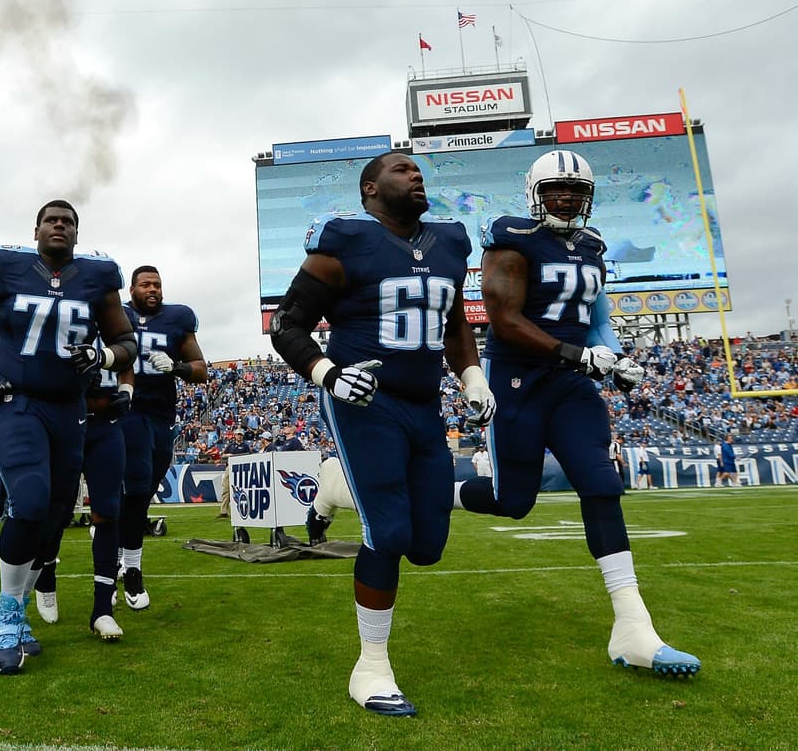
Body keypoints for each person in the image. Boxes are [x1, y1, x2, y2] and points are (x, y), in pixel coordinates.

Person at [453, 149, 699, 678]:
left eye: (575, 191)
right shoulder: (511, 239)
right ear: (534, 193)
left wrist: (619, 358)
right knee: (511, 502)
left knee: (602, 484)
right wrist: (576, 355)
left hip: (570, 384)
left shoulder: (591, 246)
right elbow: (504, 320)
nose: (565, 198)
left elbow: (597, 318)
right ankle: (437, 488)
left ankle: (634, 629)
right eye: (555, 189)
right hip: (516, 381)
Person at [269, 152, 495, 717]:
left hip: (423, 403)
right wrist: (328, 374)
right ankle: (370, 666)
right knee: (387, 532)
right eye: (401, 169)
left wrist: (471, 377)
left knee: (426, 547)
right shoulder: (345, 242)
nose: (415, 174)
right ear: (371, 189)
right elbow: (287, 324)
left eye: (418, 169)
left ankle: (353, 493)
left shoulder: (449, 242)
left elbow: (452, 323)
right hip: (364, 400)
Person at [0, 200, 137, 675]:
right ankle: (7, 616)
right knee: (30, 502)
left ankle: (19, 608)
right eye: (51, 219)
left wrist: (103, 359)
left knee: (52, 521)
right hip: (15, 401)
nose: (60, 225)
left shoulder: (99, 276)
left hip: (68, 408)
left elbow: (126, 341)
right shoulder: (7, 266)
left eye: (68, 221)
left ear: (77, 232)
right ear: (36, 229)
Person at [118, 265, 207, 610]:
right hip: (126, 410)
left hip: (161, 414)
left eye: (157, 284)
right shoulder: (116, 313)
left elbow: (200, 368)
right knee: (137, 486)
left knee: (144, 489)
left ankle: (116, 549)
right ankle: (132, 568)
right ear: (132, 289)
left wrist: (176, 366)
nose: (152, 289)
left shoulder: (177, 317)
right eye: (145, 284)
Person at [32, 361, 133, 641]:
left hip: (106, 424)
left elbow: (128, 359)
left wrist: (127, 391)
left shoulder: (117, 320)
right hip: (64, 420)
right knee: (57, 511)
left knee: (108, 511)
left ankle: (102, 610)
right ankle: (46, 575)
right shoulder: (67, 319)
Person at [219, 430, 251, 518]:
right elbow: (223, 455)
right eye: (238, 435)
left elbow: (248, 456)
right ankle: (223, 511)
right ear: (235, 436)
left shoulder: (245, 446)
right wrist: (229, 455)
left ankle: (242, 509)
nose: (239, 436)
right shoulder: (230, 446)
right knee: (226, 489)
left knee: (241, 489)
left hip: (241, 468)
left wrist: (233, 456)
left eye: (241, 435)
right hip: (230, 467)